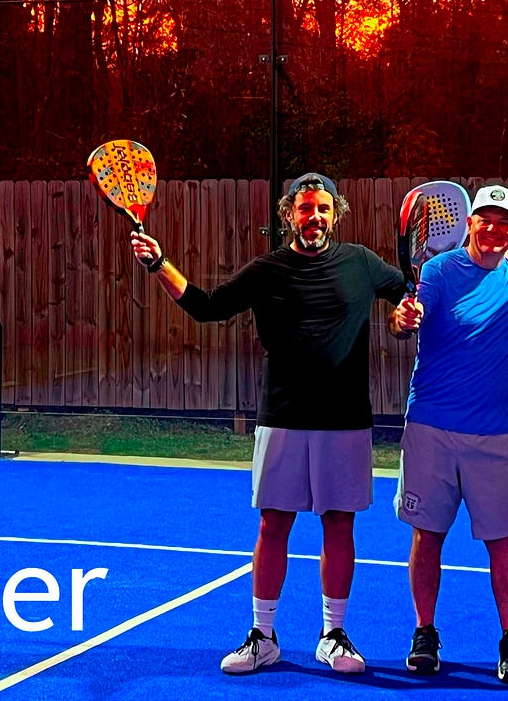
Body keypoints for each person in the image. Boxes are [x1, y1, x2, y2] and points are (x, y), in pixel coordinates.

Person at [129, 172, 407, 676]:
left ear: (335, 214)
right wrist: (159, 264)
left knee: (339, 524)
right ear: (289, 216)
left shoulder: (362, 263)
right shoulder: (267, 269)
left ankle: (333, 635)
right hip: (282, 417)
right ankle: (263, 637)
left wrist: (404, 318)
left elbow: (407, 300)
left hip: (344, 420)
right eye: (304, 208)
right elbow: (207, 307)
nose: (314, 216)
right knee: (273, 524)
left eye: (322, 208)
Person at [388, 184, 508, 684]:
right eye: (484, 219)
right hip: (430, 427)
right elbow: (405, 322)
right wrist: (402, 319)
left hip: (496, 437)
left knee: (503, 541)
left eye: (503, 222)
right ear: (469, 224)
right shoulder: (436, 271)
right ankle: (424, 632)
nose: (493, 228)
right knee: (427, 536)